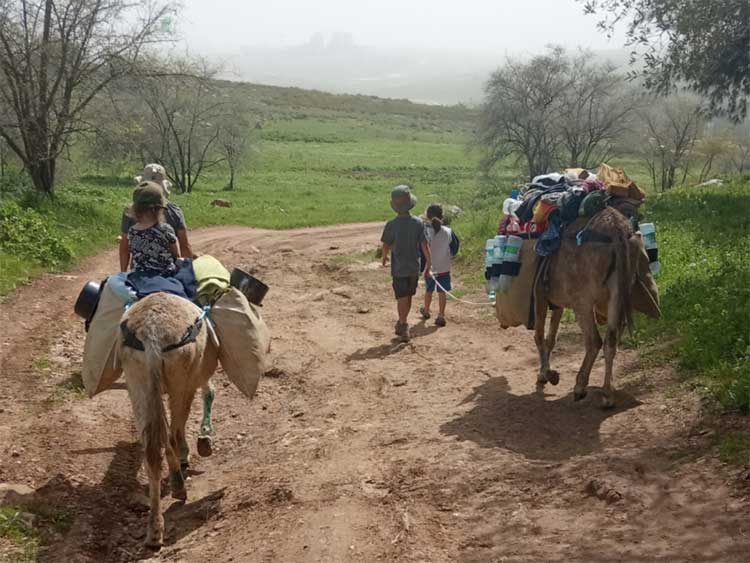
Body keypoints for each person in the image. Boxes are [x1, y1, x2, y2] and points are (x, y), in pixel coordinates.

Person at [119, 164, 194, 271]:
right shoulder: (174, 212)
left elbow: (124, 248)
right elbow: (184, 246)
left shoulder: (130, 214)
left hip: (138, 275)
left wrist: (123, 273)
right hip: (166, 274)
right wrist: (186, 274)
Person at [381, 185, 431, 342]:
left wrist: (384, 257)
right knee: (408, 296)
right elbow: (424, 245)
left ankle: (403, 324)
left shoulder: (391, 224)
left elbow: (386, 244)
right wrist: (429, 262)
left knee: (401, 297)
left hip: (398, 268)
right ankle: (402, 322)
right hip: (413, 267)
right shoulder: (418, 223)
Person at [126, 182, 179, 275]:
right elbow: (177, 255)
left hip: (138, 276)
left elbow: (134, 258)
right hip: (164, 276)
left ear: (135, 209)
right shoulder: (165, 229)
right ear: (160, 208)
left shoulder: (132, 231)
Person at [419, 204, 456, 327]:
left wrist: (423, 266)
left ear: (427, 216)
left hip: (430, 268)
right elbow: (454, 249)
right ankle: (441, 315)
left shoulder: (425, 231)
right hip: (444, 267)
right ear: (442, 216)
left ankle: (426, 310)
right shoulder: (449, 232)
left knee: (428, 290)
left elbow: (421, 249)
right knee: (442, 292)